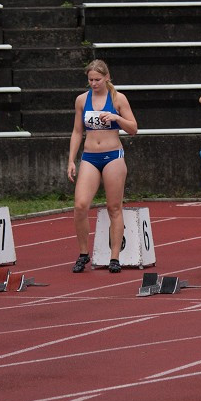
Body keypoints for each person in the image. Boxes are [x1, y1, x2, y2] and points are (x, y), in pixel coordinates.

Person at [67, 60, 138, 274]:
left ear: (107, 77)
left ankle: (114, 256)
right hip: (89, 156)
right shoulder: (82, 100)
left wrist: (116, 117)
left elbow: (134, 128)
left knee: (114, 207)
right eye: (90, 80)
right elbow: (77, 131)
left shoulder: (118, 99)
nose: (94, 84)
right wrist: (71, 159)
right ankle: (82, 253)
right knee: (80, 205)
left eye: (97, 80)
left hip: (113, 155)